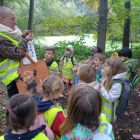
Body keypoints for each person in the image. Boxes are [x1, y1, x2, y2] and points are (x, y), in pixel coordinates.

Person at [0, 6, 33, 98]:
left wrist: (23, 36)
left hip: (21, 74)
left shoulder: (7, 34)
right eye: (12, 19)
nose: (15, 22)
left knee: (22, 103)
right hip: (14, 79)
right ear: (1, 19)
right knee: (17, 105)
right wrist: (25, 40)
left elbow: (13, 45)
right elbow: (17, 53)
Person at [34, 75, 65, 139]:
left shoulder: (36, 104)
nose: (60, 95)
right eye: (60, 92)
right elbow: (64, 132)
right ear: (55, 92)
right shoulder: (56, 113)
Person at [99, 56, 127, 123]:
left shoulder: (117, 84)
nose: (104, 68)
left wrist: (102, 88)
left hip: (109, 114)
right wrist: (104, 77)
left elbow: (111, 98)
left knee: (107, 129)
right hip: (103, 110)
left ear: (114, 69)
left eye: (107, 66)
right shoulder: (110, 78)